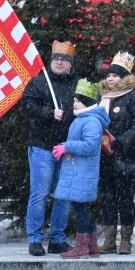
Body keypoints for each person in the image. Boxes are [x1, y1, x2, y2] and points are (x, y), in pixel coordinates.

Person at [22, 40, 79, 256]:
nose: (59, 62)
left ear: (71, 63)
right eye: (56, 59)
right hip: (42, 147)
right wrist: (48, 112)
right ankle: (35, 239)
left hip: (67, 148)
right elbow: (27, 105)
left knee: (63, 195)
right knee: (40, 193)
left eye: (64, 59)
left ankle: (57, 239)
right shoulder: (38, 82)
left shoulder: (78, 83)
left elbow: (88, 105)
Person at [51, 79, 110, 259]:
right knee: (81, 207)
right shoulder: (84, 118)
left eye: (77, 100)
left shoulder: (91, 120)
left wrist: (67, 147)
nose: (74, 103)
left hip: (82, 172)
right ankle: (91, 246)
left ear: (87, 102)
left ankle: (82, 247)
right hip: (79, 171)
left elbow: (91, 145)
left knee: (81, 208)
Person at [98, 52, 135, 255]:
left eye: (115, 75)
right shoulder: (102, 98)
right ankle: (109, 239)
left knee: (125, 198)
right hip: (105, 157)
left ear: (124, 77)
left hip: (126, 156)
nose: (110, 79)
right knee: (108, 198)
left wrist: (123, 141)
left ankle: (126, 240)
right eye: (109, 75)